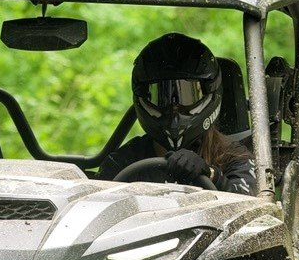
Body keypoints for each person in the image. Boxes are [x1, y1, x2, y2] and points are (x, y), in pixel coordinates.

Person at [101, 33, 256, 194]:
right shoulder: (124, 161)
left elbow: (252, 207)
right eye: (161, 96)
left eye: (188, 95)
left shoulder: (235, 158)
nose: (174, 109)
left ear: (210, 92)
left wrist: (211, 175)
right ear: (143, 96)